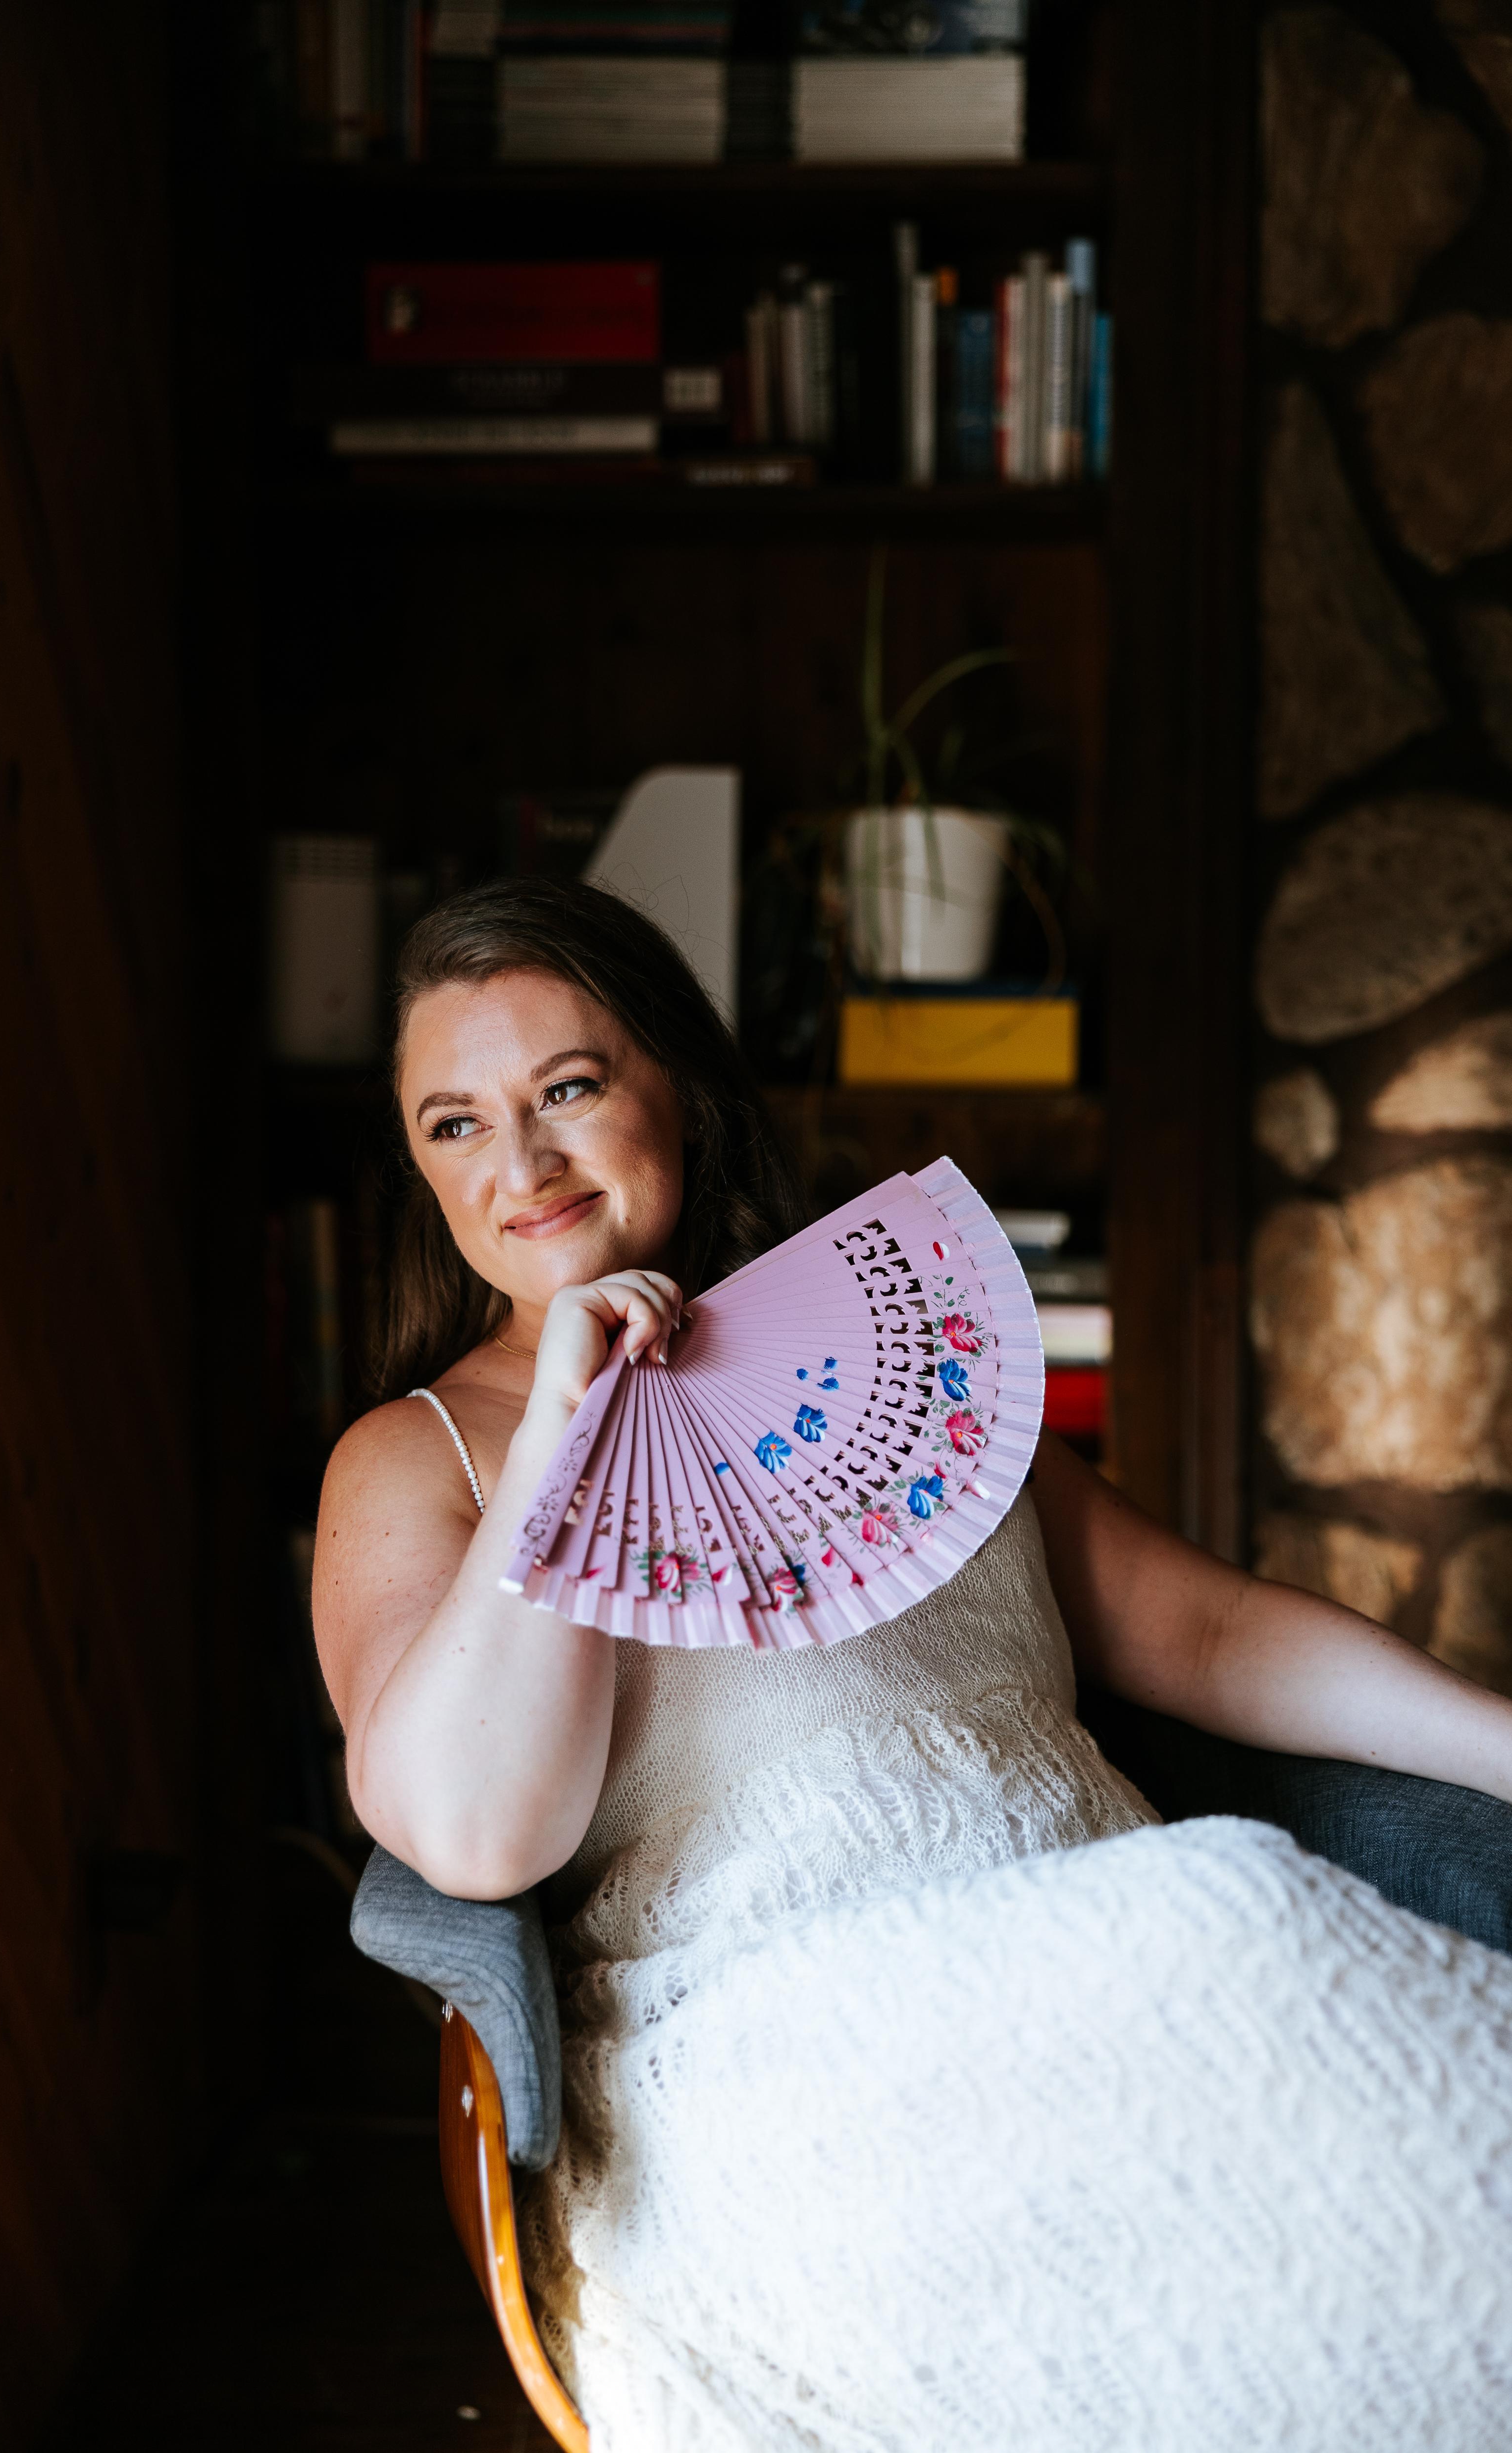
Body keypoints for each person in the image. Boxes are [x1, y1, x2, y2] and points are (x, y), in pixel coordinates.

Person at [315, 877, 1512, 2453]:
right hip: (788, 2055)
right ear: (420, 1167)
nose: (521, 1163)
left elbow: (1211, 1631)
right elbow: (478, 1835)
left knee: (1269, 1959)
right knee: (1229, 1917)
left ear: (679, 1085)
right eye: (457, 1123)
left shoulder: (911, 1341)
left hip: (1121, 1944)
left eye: (571, 1089)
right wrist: (561, 1428)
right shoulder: (420, 1458)